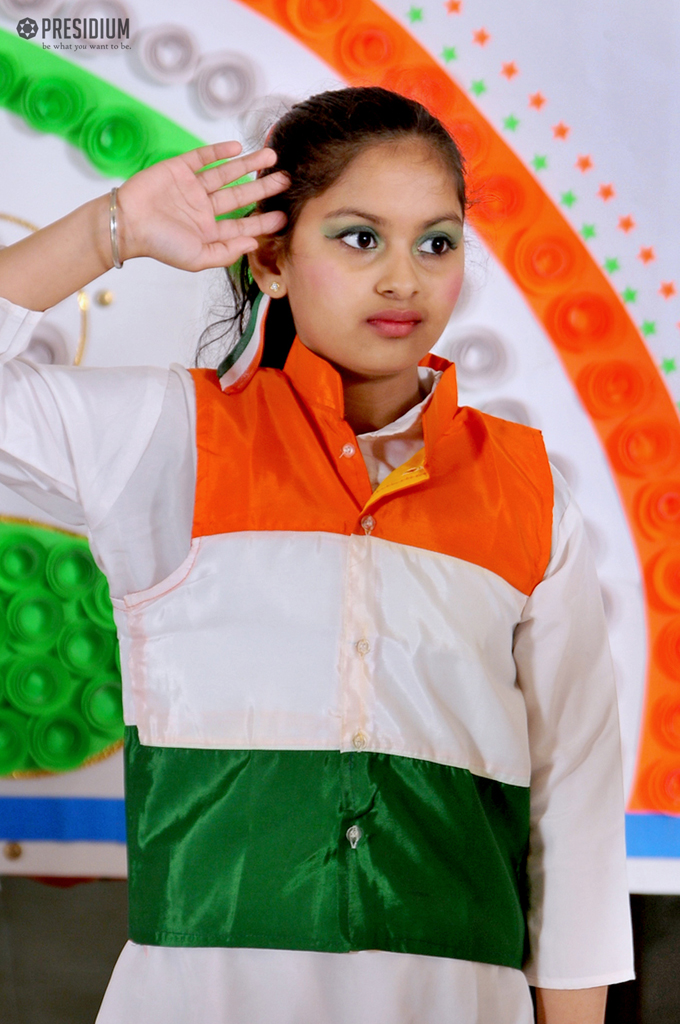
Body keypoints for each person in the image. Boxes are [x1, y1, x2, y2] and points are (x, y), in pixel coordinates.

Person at [0, 87, 633, 1024]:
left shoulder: (530, 495)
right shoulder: (165, 439)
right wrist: (112, 229)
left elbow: (575, 811)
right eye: (359, 237)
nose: (404, 279)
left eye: (437, 243)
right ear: (272, 257)